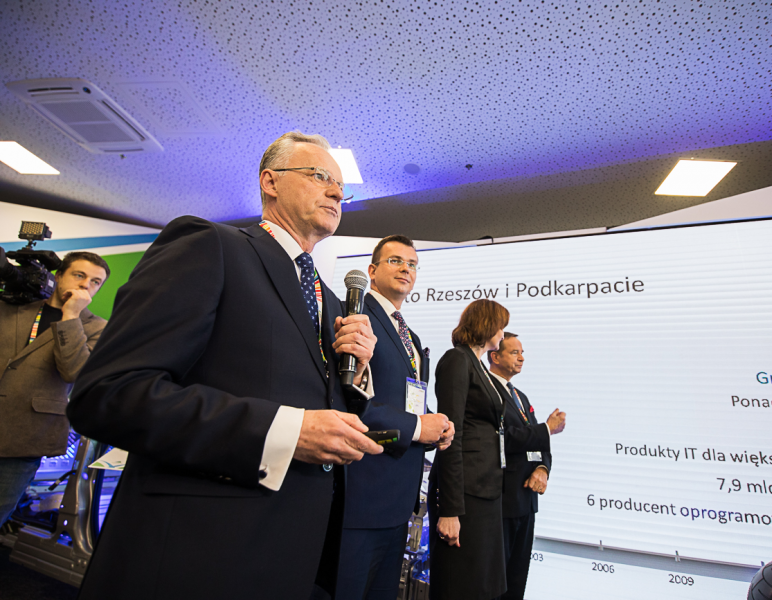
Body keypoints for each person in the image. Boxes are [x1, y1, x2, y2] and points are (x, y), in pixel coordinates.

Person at [66, 131, 384, 600]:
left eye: (342, 187)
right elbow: (108, 393)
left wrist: (358, 373)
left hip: (290, 555)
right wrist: (284, 432)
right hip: (198, 552)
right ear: (270, 182)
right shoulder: (208, 245)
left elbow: (322, 410)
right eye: (321, 176)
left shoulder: (331, 301)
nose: (337, 192)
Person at [335, 235, 454, 600]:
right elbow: (346, 401)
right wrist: (418, 428)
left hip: (399, 504)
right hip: (360, 497)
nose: (406, 269)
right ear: (372, 271)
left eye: (412, 264)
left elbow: (404, 402)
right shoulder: (355, 318)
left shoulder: (410, 337)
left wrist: (434, 424)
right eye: (396, 261)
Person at [0, 252, 109, 527]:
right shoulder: (13, 306)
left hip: (25, 437)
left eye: (95, 282)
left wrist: (71, 315)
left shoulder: (98, 328)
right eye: (79, 275)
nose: (85, 284)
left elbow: (74, 371)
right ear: (58, 276)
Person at [428, 298, 510, 600]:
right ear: (487, 325)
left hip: (484, 492)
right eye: (501, 326)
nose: (503, 334)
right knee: (462, 585)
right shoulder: (457, 359)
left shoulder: (478, 365)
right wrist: (450, 510)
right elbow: (452, 435)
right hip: (465, 496)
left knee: (483, 587)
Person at [487, 333, 566, 600]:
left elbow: (539, 443)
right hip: (501, 502)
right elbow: (502, 439)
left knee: (516, 581)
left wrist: (543, 469)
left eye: (522, 353)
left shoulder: (520, 396)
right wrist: (546, 429)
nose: (521, 358)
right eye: (514, 352)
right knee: (495, 584)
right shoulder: (487, 391)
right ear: (495, 356)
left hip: (526, 502)